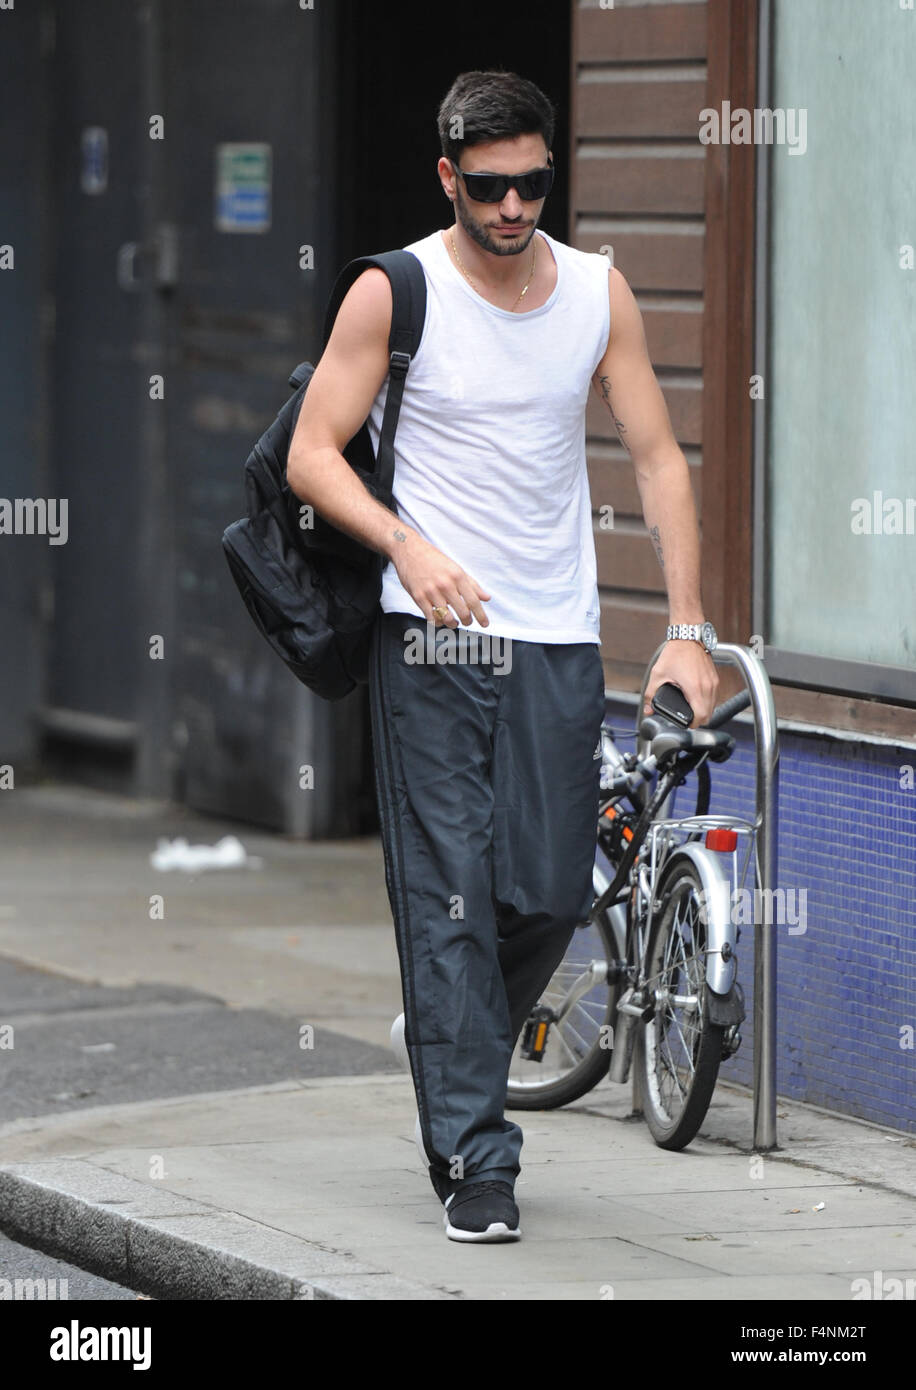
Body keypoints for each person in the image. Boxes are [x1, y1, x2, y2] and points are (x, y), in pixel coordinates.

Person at [286, 70, 719, 1243]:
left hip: (555, 632)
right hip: (429, 637)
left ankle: (450, 1030)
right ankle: (479, 1159)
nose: (515, 206)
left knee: (544, 884)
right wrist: (404, 548)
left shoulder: (597, 294)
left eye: (532, 182)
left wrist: (684, 627)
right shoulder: (396, 292)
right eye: (489, 187)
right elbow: (314, 456)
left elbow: (660, 458)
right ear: (449, 179)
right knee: (449, 901)